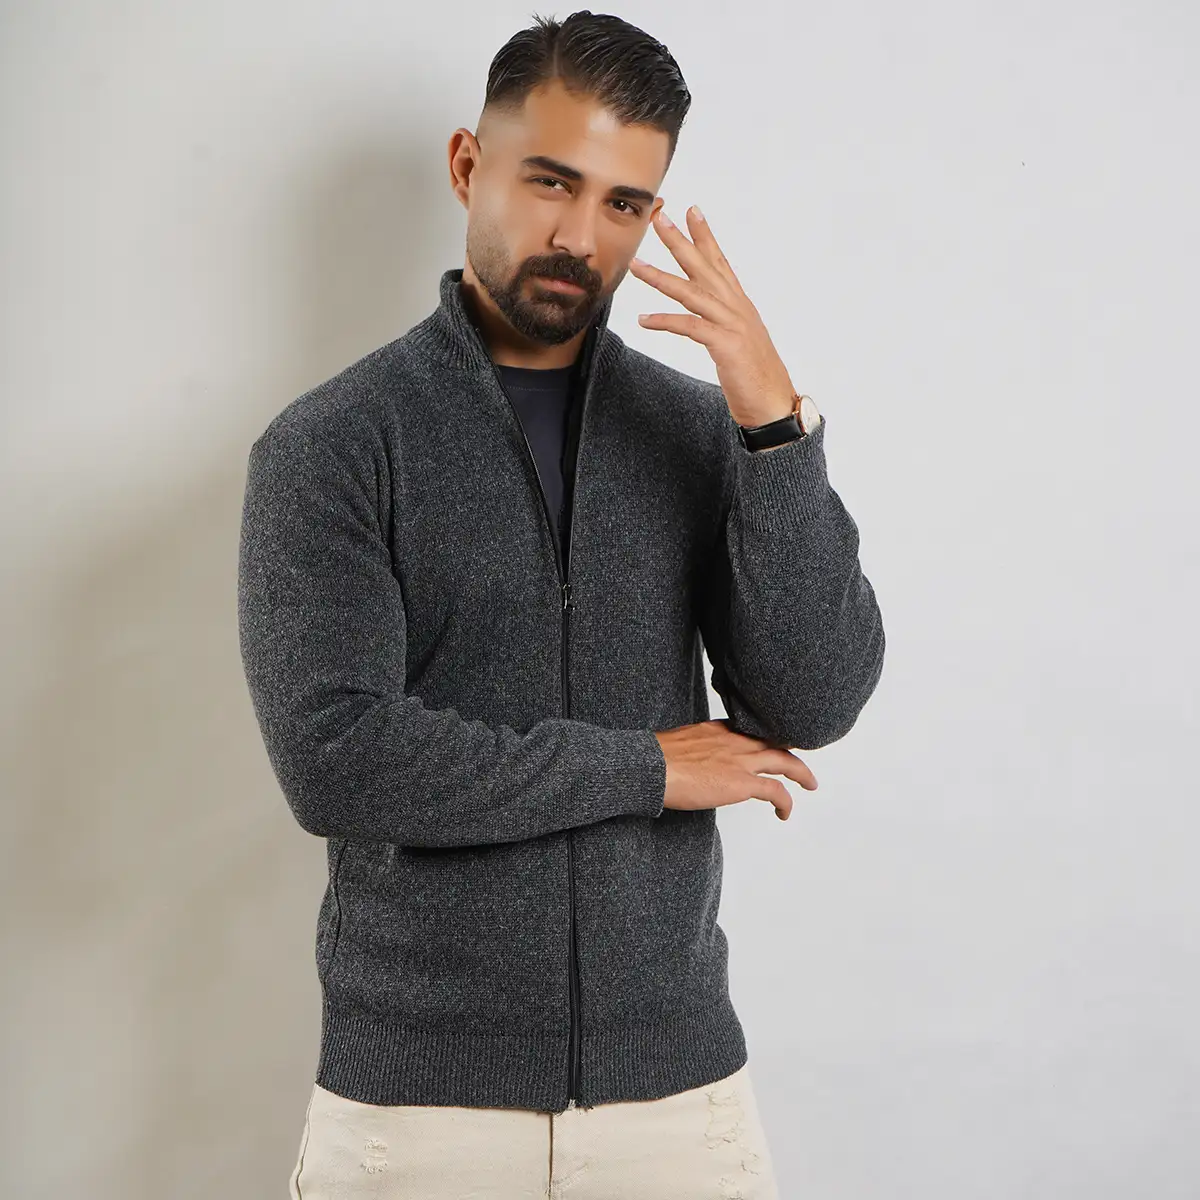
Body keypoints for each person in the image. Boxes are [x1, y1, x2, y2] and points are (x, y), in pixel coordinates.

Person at [237, 10, 886, 1198]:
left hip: (676, 1107)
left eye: (623, 204)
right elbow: (339, 761)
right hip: (417, 1118)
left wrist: (771, 427)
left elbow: (811, 699)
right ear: (467, 164)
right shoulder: (334, 447)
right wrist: (645, 767)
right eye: (550, 181)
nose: (580, 237)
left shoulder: (698, 433)